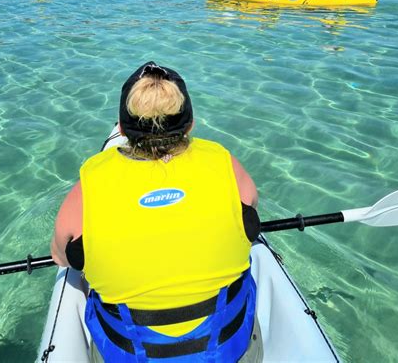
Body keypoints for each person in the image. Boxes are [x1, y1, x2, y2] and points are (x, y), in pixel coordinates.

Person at [51, 62, 262, 362]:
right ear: (190, 124)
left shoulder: (92, 179)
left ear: (122, 130)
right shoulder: (221, 160)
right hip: (231, 352)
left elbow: (60, 256)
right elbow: (250, 208)